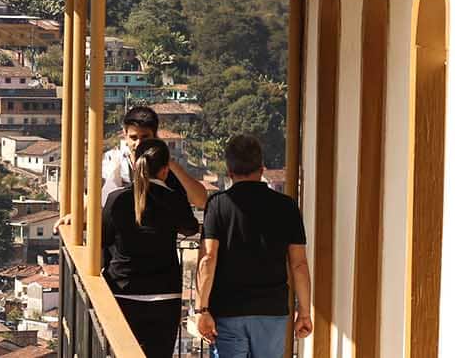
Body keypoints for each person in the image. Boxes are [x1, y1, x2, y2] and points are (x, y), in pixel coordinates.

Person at [195, 135, 312, 358]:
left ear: (229, 171)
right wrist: (304, 311)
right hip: (272, 311)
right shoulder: (287, 207)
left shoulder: (218, 204)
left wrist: (203, 309)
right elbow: (299, 264)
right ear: (262, 168)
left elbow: (208, 258)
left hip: (228, 311)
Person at [103, 138, 201, 358]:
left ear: (135, 162)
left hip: (123, 289)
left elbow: (104, 239)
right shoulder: (172, 198)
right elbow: (190, 227)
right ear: (165, 170)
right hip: (165, 293)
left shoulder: (116, 199)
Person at [102, 106, 208, 209]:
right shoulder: (112, 163)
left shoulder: (165, 168)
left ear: (155, 136)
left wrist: (167, 161)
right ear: (125, 135)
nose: (138, 143)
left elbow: (201, 201)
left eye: (145, 137)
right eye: (133, 138)